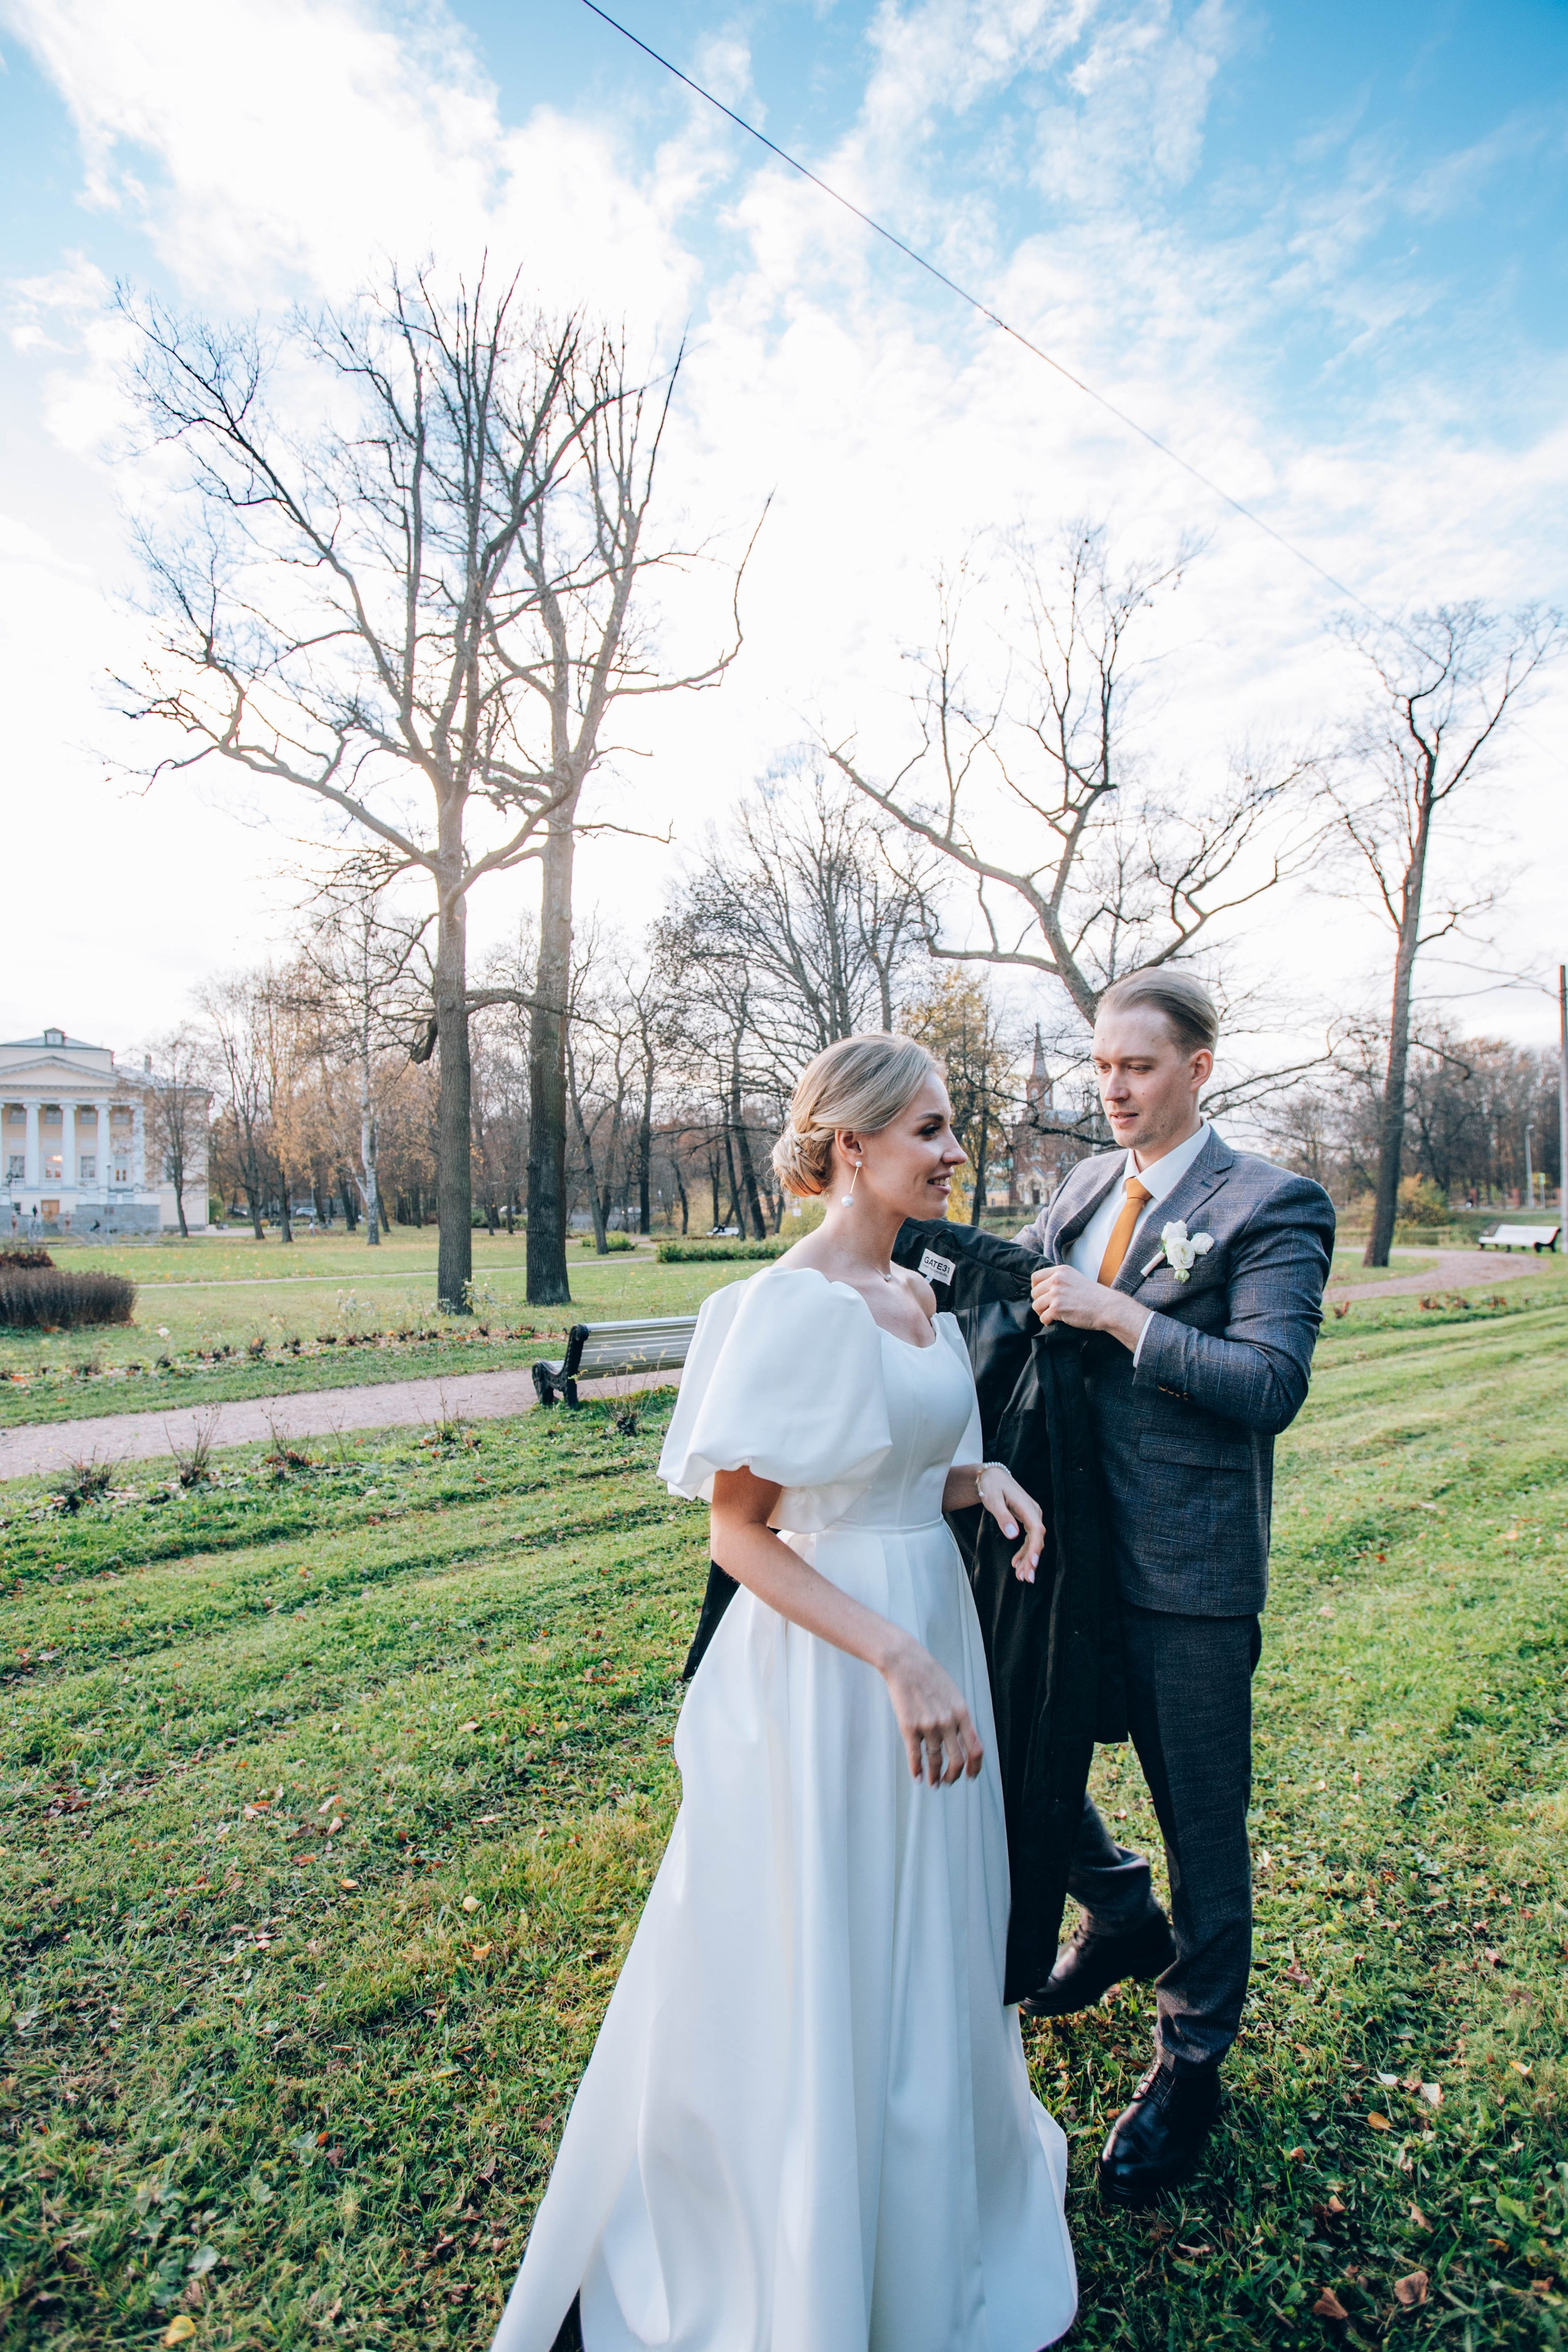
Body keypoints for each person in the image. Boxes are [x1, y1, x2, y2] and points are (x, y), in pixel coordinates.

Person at [492, 1033, 1078, 2352]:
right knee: (819, 1944)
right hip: (828, 1668)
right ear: (851, 1144)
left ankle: (922, 2220)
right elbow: (744, 1534)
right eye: (927, 1129)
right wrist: (895, 1654)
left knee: (923, 1931)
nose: (951, 1151)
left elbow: (877, 1469)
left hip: (927, 1618)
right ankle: (793, 2244)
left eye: (950, 1127)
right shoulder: (783, 1304)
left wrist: (977, 1483)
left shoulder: (916, 1296)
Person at [1012, 971, 1333, 2209]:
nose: (1111, 1089)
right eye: (1099, 1067)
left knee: (1202, 1827)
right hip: (1063, 1555)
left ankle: (1189, 2062)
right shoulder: (1084, 1186)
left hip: (1189, 1580)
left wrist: (1120, 1318)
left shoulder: (1269, 1202)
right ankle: (1113, 1909)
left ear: (1197, 1066)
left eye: (1136, 1067)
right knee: (1012, 1749)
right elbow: (1014, 1296)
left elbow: (1267, 1384)